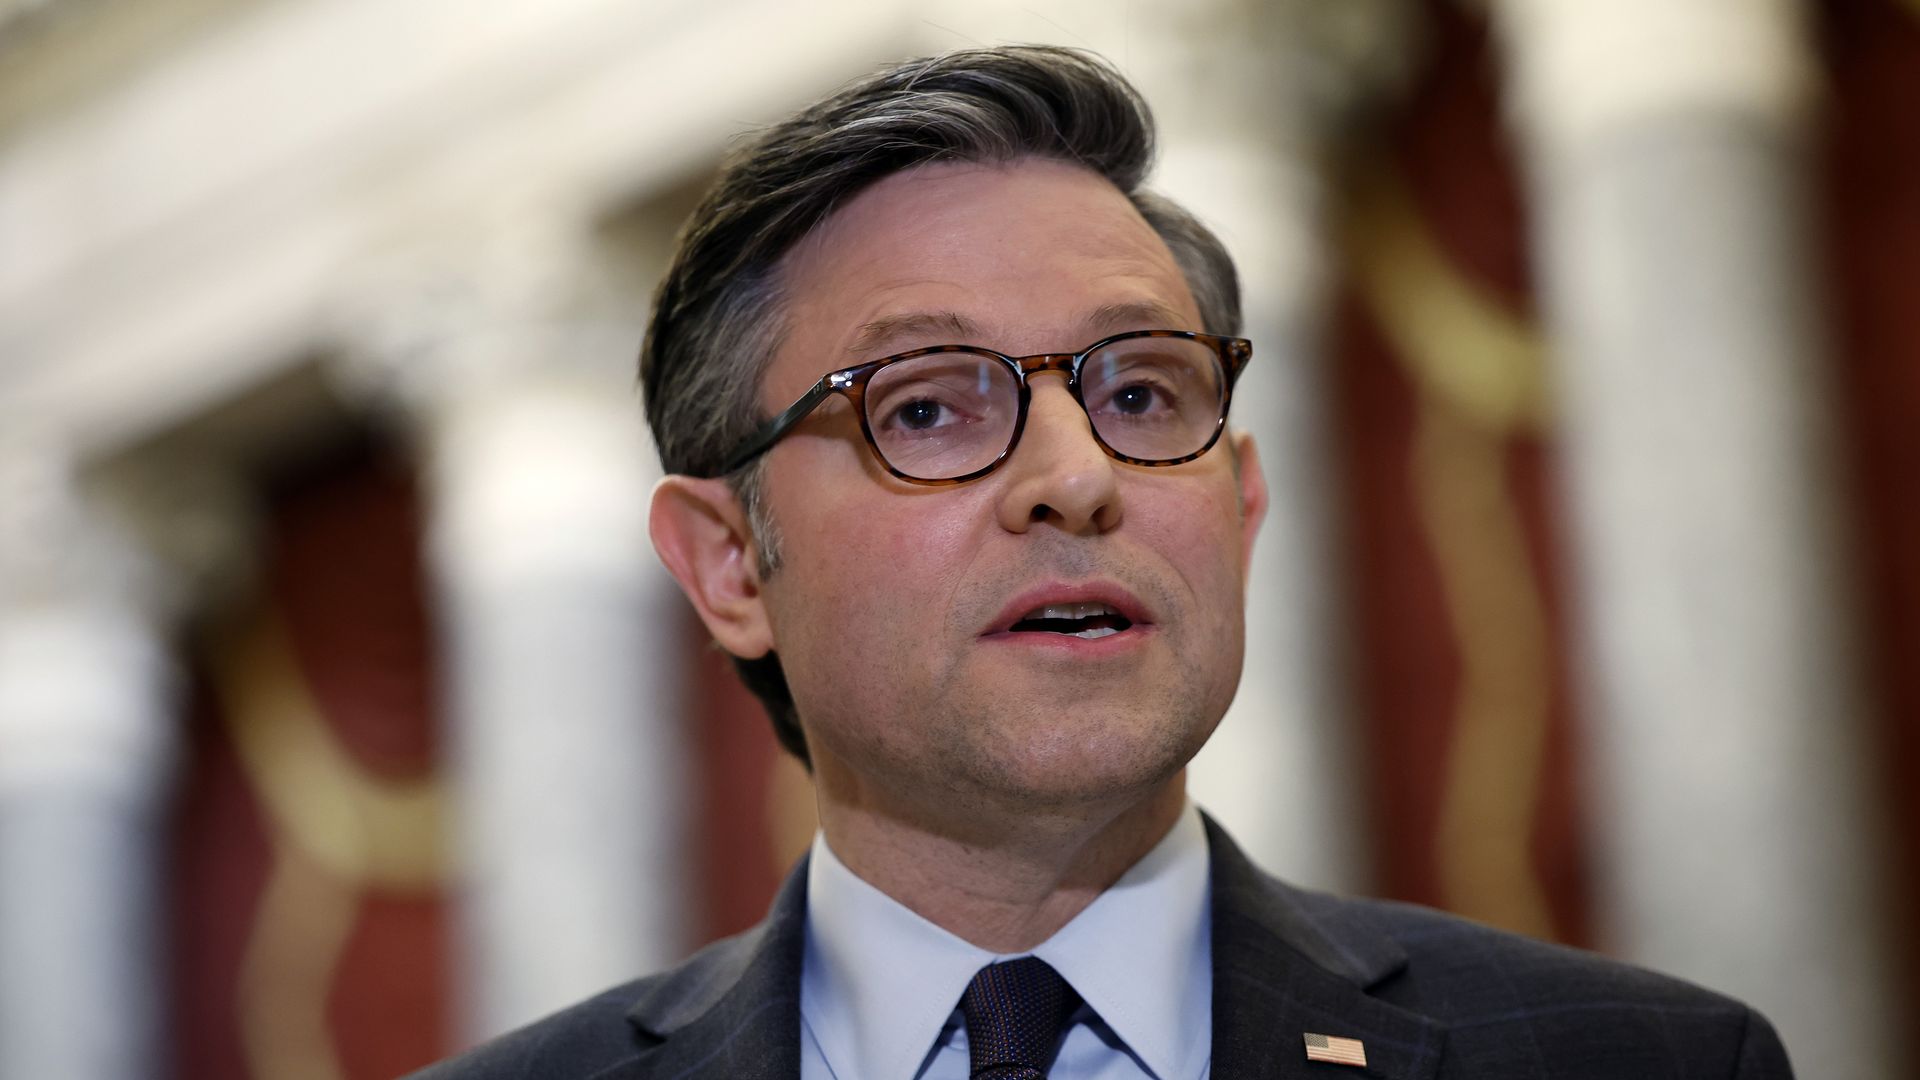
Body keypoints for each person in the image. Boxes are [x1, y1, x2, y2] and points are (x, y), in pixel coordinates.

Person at [412, 46, 1792, 1079]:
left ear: (1241, 504)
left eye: (1139, 394)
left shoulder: (1644, 1062)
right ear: (728, 565)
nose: (1077, 479)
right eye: (927, 408)